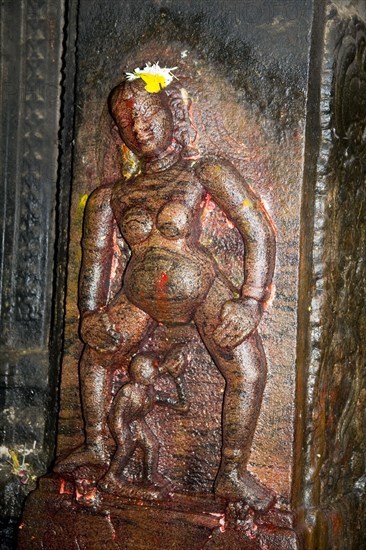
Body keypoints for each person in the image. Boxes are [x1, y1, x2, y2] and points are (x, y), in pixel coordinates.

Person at [56, 70, 276, 512]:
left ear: (174, 112)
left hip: (202, 289)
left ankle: (232, 472)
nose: (139, 129)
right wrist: (90, 314)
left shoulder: (203, 173)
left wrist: (250, 300)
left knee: (248, 369)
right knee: (95, 355)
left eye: (148, 114)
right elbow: (96, 261)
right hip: (138, 299)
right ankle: (98, 443)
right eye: (127, 124)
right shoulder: (112, 196)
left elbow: (257, 232)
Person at [100, 348, 189, 499]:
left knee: (152, 445)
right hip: (122, 422)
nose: (159, 369)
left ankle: (149, 476)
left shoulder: (151, 392)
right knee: (126, 447)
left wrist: (178, 378)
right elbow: (116, 414)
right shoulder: (128, 391)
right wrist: (122, 433)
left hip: (135, 422)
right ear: (142, 370)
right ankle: (110, 478)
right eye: (155, 366)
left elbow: (183, 405)